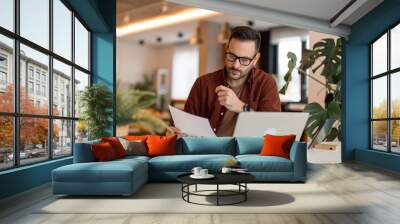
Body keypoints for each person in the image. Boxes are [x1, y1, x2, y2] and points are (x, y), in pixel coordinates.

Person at [168, 26, 281, 137]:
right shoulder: (203, 83)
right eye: (231, 56)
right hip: (208, 152)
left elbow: (272, 130)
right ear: (226, 49)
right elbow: (186, 126)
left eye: (244, 60)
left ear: (255, 59)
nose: (235, 65)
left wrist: (242, 108)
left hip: (248, 154)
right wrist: (178, 134)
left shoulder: (266, 83)